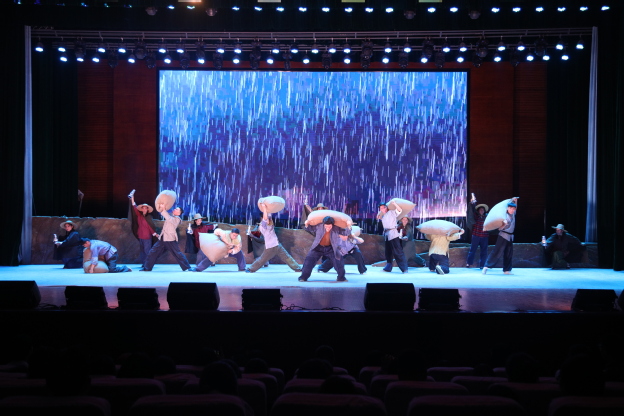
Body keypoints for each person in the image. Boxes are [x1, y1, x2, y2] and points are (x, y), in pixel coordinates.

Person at [245, 203, 302, 273]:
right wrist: (264, 208)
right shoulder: (263, 226)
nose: (267, 219)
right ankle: (251, 269)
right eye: (266, 219)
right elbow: (264, 220)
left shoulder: (269, 225)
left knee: (287, 257)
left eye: (269, 219)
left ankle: (297, 268)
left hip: (277, 245)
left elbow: (267, 216)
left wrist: (267, 208)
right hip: (270, 247)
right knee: (262, 259)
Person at [140, 204, 194, 272]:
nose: (174, 209)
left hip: (170, 239)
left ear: (179, 213)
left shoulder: (177, 219)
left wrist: (164, 209)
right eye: (175, 208)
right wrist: (162, 208)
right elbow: (165, 215)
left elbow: (168, 217)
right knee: (152, 252)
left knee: (177, 253)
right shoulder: (171, 217)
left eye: (177, 209)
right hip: (163, 238)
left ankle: (187, 267)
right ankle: (147, 267)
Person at [298, 216, 352, 282]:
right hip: (318, 247)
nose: (328, 228)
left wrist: (349, 226)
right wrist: (306, 224)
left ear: (332, 225)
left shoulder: (336, 228)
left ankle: (341, 278)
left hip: (331, 248)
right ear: (323, 224)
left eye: (329, 226)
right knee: (309, 261)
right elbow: (309, 229)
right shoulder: (319, 226)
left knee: (339, 261)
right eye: (326, 226)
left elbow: (345, 233)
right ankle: (303, 277)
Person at [482, 197, 518, 275]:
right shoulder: (504, 216)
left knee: (508, 253)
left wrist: (515, 201)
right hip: (503, 235)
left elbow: (515, 206)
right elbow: (499, 229)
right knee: (497, 251)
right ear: (507, 208)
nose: (512, 210)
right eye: (510, 208)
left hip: (510, 236)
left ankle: (507, 270)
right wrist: (504, 224)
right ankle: (486, 266)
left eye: (513, 209)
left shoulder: (513, 214)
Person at [128, 191, 159, 267]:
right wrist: (132, 197)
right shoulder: (139, 216)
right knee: (142, 251)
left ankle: (148, 264)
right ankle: (144, 263)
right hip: (140, 236)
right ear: (141, 209)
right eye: (143, 208)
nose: (144, 209)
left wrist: (155, 234)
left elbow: (150, 227)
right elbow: (134, 206)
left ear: (147, 209)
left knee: (147, 251)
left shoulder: (149, 217)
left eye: (146, 208)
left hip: (147, 237)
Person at [378, 201, 408, 273]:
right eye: (381, 208)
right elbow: (387, 223)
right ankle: (388, 267)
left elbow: (399, 210)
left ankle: (404, 268)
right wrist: (381, 218)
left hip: (393, 233)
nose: (382, 209)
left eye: (383, 207)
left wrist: (394, 204)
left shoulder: (391, 212)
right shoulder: (384, 216)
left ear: (386, 207)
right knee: (388, 252)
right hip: (387, 234)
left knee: (398, 251)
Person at [466, 194, 490, 269]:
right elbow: (471, 211)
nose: (481, 211)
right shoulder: (476, 216)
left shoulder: (487, 217)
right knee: (472, 250)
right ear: (478, 211)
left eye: (483, 210)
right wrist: (472, 203)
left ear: (484, 211)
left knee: (484, 251)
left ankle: (482, 265)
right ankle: (469, 263)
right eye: (480, 210)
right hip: (476, 235)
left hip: (484, 236)